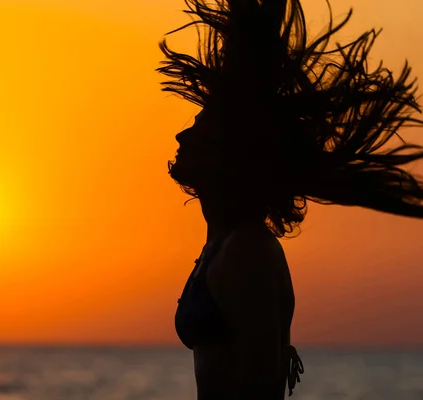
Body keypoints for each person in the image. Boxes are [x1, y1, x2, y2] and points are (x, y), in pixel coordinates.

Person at [156, 0, 423, 398]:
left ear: (230, 155)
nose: (182, 137)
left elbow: (260, 386)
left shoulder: (247, 251)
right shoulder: (221, 244)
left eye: (199, 130)